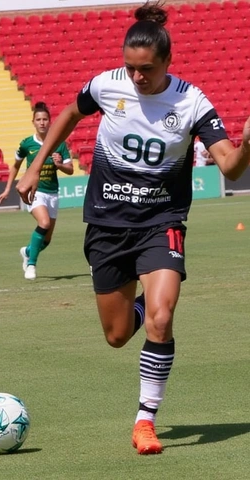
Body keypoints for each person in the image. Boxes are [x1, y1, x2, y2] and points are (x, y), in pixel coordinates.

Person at [17, 1, 250, 456]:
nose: (137, 77)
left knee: (163, 318)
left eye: (146, 69)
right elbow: (68, 114)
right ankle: (142, 307)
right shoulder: (108, 84)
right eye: (131, 67)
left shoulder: (191, 101)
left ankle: (145, 420)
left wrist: (247, 146)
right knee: (118, 335)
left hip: (161, 221)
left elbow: (231, 167)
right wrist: (34, 166)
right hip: (106, 224)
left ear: (167, 62)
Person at [0, 102, 74, 280]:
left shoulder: (59, 143)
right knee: (44, 223)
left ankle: (27, 252)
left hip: (52, 193)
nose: (42, 122)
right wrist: (7, 188)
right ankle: (31, 264)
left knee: (46, 240)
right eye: (38, 119)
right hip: (35, 192)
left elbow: (70, 169)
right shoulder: (27, 144)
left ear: (50, 122)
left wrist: (59, 164)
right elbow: (15, 166)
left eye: (45, 119)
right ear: (33, 122)